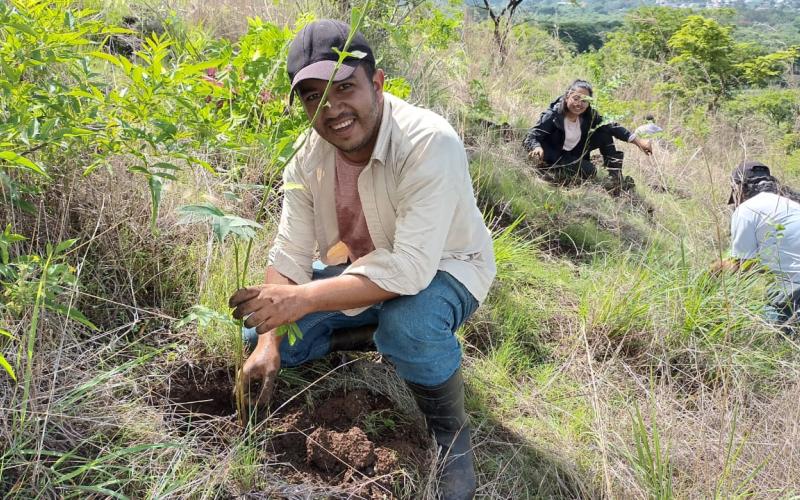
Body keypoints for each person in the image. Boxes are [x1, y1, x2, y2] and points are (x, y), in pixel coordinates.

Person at [228, 20, 496, 499]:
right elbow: (288, 253)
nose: (331, 109)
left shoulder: (428, 142)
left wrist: (304, 298)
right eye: (313, 97)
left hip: (447, 268)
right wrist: (269, 340)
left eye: (344, 87)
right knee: (259, 332)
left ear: (377, 83)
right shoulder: (307, 159)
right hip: (363, 272)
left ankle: (451, 440)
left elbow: (412, 267)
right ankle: (371, 335)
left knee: (410, 324)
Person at [522, 79, 652, 190]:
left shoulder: (589, 115)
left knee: (604, 131)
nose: (579, 104)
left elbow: (612, 126)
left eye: (584, 100)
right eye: (576, 98)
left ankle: (615, 177)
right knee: (590, 171)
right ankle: (556, 170)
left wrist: (638, 142)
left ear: (589, 102)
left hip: (576, 152)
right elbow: (532, 135)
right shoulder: (553, 115)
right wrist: (536, 147)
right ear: (567, 97)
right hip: (556, 156)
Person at [716, 160, 800, 329]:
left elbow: (743, 266)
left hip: (794, 292)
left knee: (756, 325)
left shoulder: (746, 210)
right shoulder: (793, 205)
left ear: (739, 188)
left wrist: (711, 273)